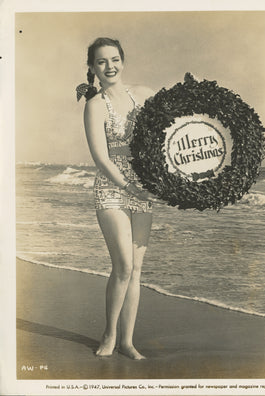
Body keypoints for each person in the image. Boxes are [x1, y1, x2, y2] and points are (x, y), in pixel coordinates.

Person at [77, 37, 155, 360]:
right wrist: (128, 186)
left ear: (123, 60)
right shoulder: (95, 105)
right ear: (93, 68)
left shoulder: (145, 95)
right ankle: (109, 333)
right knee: (122, 264)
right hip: (112, 187)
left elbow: (171, 129)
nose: (109, 66)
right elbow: (100, 157)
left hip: (144, 187)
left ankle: (127, 341)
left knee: (136, 269)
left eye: (114, 59)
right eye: (101, 62)